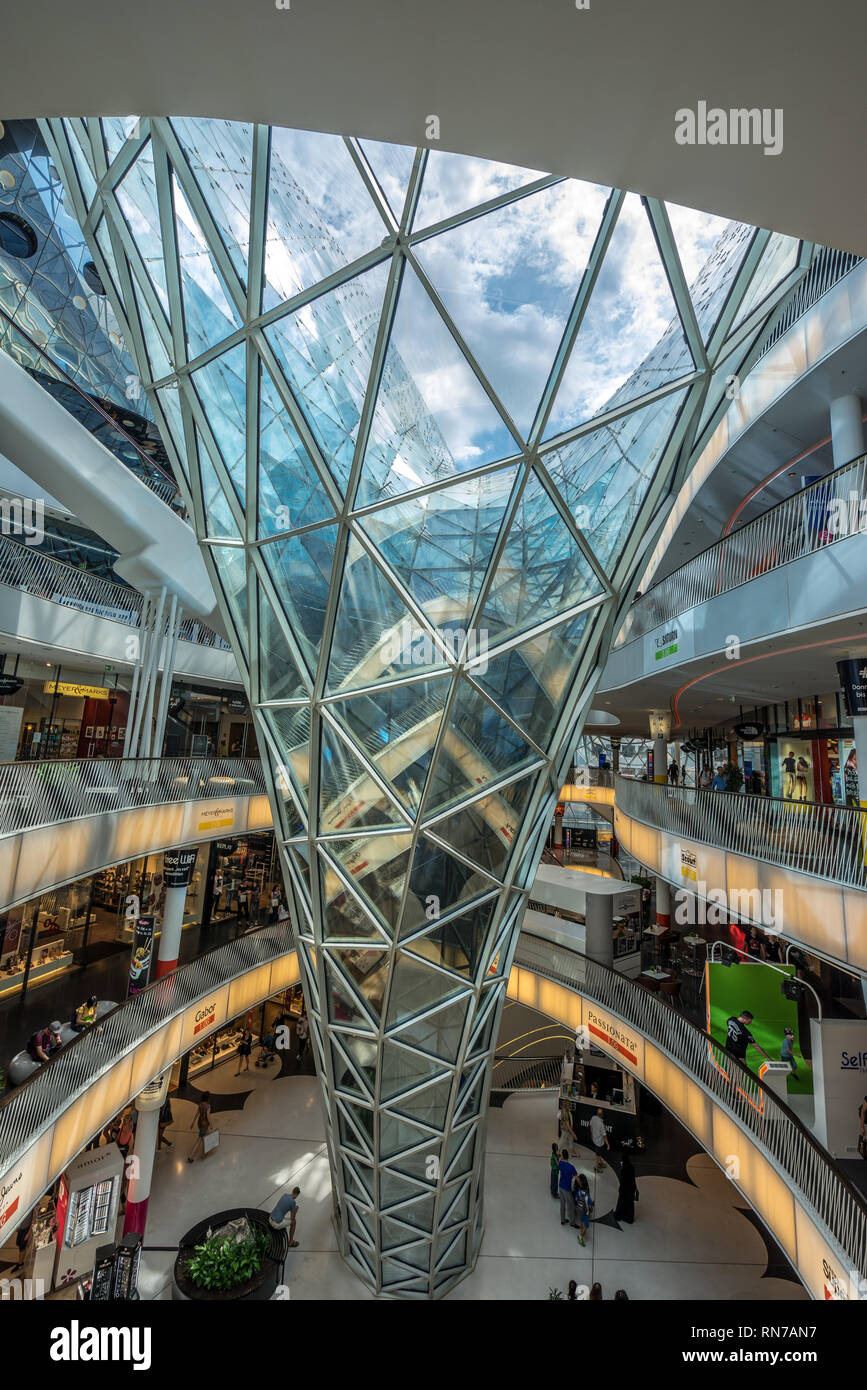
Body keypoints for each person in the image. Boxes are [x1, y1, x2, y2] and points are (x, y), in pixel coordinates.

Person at [614, 1154, 639, 1224]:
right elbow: (632, 1178)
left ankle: (618, 1215)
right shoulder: (631, 1167)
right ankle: (629, 1218)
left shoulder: (623, 1169)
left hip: (624, 1189)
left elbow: (622, 1180)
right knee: (630, 1203)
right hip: (631, 1188)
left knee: (621, 1202)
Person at [188, 1092, 212, 1162]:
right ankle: (191, 1156)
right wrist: (211, 1124)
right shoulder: (208, 1106)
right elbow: (208, 1115)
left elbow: (197, 1114)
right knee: (199, 1139)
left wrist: (193, 1122)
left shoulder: (200, 1105)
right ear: (208, 1098)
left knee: (205, 1136)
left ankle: (205, 1151)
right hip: (205, 1124)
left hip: (200, 1123)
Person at [557, 1149, 579, 1227]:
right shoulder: (571, 1167)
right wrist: (581, 1184)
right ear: (568, 1156)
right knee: (571, 1206)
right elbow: (577, 1178)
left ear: (562, 1156)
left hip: (560, 1186)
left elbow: (558, 1167)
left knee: (562, 1204)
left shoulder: (561, 1163)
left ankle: (562, 1220)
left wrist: (559, 1157)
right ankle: (572, 1222)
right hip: (567, 1189)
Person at [572, 1171, 593, 1246]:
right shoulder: (587, 1196)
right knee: (586, 1225)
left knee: (581, 1220)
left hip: (579, 1210)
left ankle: (581, 1228)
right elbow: (590, 1206)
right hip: (585, 1212)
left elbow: (576, 1199)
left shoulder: (578, 1192)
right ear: (587, 1186)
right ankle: (580, 1236)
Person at [589, 1109, 609, 1173]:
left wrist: (592, 1134)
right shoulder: (601, 1124)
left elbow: (590, 1126)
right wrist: (608, 1144)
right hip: (599, 1142)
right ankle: (596, 1167)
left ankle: (600, 1162)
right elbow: (604, 1136)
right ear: (602, 1114)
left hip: (594, 1139)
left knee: (599, 1153)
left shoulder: (593, 1117)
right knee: (597, 1155)